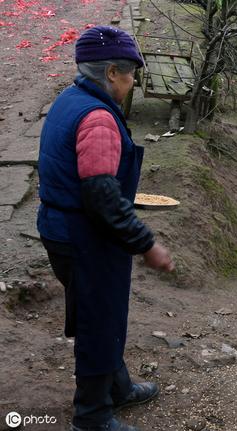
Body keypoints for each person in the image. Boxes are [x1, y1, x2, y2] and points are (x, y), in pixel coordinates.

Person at [37, 26, 174, 431]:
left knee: (104, 314)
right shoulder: (97, 119)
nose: (133, 83)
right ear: (112, 72)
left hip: (64, 228)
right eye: (131, 74)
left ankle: (118, 388)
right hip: (84, 236)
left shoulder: (70, 98)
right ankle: (92, 416)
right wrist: (146, 243)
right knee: (100, 320)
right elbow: (101, 195)